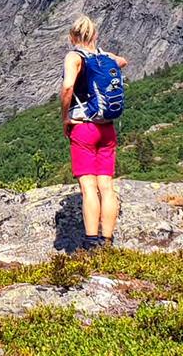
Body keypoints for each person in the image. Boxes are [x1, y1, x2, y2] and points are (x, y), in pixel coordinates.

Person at [60, 16, 128, 250]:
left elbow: (68, 86)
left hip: (84, 128)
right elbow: (123, 61)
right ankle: (107, 241)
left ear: (72, 37)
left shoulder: (74, 57)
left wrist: (65, 116)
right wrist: (101, 56)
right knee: (106, 187)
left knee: (89, 187)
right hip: (106, 128)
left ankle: (91, 243)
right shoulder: (104, 57)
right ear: (95, 36)